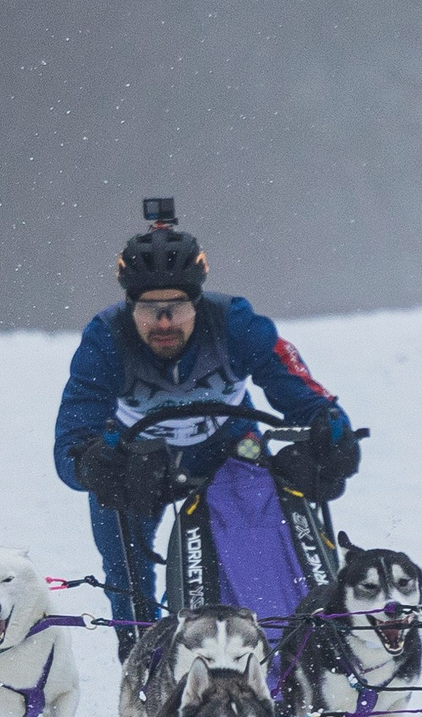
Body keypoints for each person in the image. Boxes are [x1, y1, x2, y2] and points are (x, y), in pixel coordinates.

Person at [54, 213, 361, 649]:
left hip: (227, 446)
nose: (164, 323)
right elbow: (68, 445)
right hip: (139, 459)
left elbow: (304, 394)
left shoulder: (236, 322)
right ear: (129, 307)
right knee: (124, 564)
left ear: (198, 303)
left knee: (259, 530)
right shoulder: (104, 338)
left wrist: (332, 436)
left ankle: (283, 644)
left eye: (176, 308)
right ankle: (144, 663)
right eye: (148, 309)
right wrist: (93, 465)